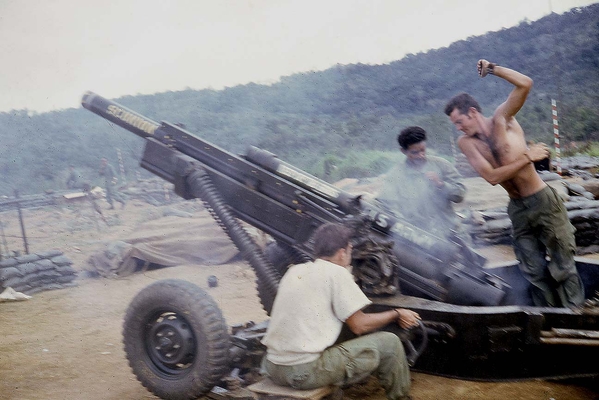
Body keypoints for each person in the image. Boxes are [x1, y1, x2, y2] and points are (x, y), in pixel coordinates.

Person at [444, 59, 584, 308]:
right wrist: (527, 158)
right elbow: (492, 177)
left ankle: (574, 315)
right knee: (533, 270)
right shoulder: (467, 143)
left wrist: (493, 69)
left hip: (542, 200)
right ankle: (547, 318)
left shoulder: (503, 119)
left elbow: (525, 84)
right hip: (517, 208)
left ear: (473, 112)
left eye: (459, 121)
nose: (458, 128)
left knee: (563, 264)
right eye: (455, 125)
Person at [261, 223, 420, 400]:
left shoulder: (295, 271)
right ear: (342, 252)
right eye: (350, 248)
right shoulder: (336, 273)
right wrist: (396, 314)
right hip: (302, 373)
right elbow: (359, 325)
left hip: (272, 367)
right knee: (390, 343)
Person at [377, 126, 466, 240]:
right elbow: (389, 208)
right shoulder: (395, 176)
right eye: (414, 152)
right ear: (403, 151)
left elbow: (460, 195)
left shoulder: (442, 165)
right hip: (419, 238)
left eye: (423, 150)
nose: (420, 155)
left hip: (450, 231)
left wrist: (441, 184)